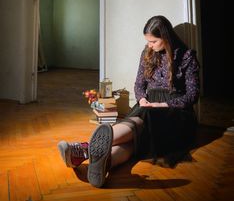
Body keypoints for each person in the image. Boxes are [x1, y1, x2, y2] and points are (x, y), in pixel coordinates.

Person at [57, 15, 200, 188]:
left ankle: (84, 149)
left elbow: (192, 95)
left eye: (153, 41)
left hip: (175, 113)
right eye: (147, 41)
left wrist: (162, 105)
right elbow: (139, 85)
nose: (149, 45)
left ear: (166, 37)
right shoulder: (147, 53)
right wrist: (142, 98)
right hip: (148, 104)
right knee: (134, 141)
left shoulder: (187, 57)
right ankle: (102, 165)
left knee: (142, 121)